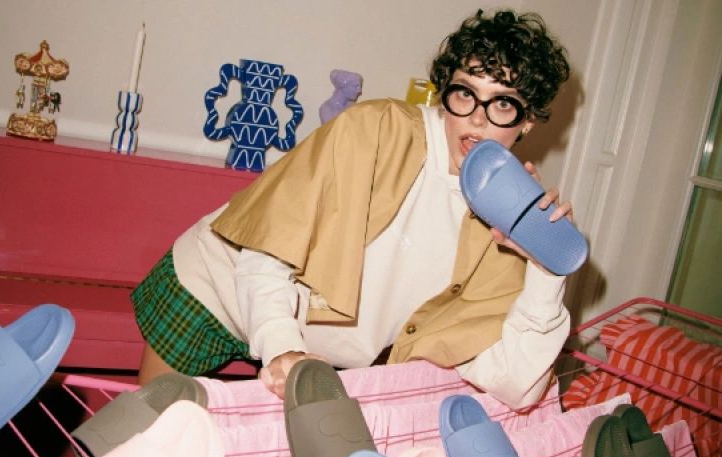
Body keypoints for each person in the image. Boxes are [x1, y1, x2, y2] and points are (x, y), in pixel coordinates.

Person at [132, 8, 576, 409]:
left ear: (528, 120)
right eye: (465, 93)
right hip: (218, 287)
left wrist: (546, 271)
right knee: (146, 438)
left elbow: (516, 385)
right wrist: (281, 345)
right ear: (445, 91)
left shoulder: (513, 220)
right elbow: (268, 248)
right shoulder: (374, 130)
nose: (477, 117)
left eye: (503, 103)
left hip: (313, 354)